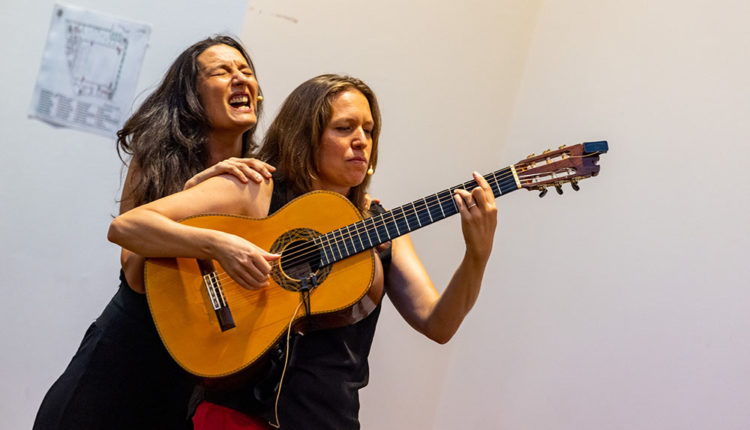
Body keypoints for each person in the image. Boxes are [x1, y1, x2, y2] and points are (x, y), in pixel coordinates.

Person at [106, 74, 498, 429]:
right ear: (305, 135)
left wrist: (476, 256)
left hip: (328, 419)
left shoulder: (382, 227)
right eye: (344, 128)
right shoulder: (255, 190)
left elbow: (438, 324)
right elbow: (128, 227)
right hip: (236, 414)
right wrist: (220, 245)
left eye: (368, 130)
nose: (361, 141)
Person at [33, 35, 274, 430]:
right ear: (193, 96)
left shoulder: (256, 180)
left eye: (246, 71)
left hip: (179, 390)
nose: (240, 78)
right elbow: (133, 269)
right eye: (222, 71)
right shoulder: (157, 158)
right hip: (114, 369)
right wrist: (205, 222)